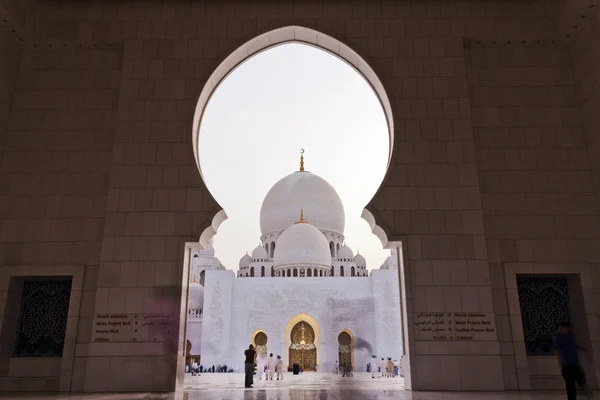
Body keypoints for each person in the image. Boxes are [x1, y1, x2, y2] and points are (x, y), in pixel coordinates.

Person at [554, 321, 587, 400]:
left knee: (581, 379)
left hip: (575, 363)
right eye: (560, 328)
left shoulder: (571, 335)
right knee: (570, 384)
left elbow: (573, 345)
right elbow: (556, 351)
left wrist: (580, 348)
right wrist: (560, 362)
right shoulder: (558, 338)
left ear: (568, 328)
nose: (560, 329)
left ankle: (583, 390)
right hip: (566, 365)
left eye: (562, 328)